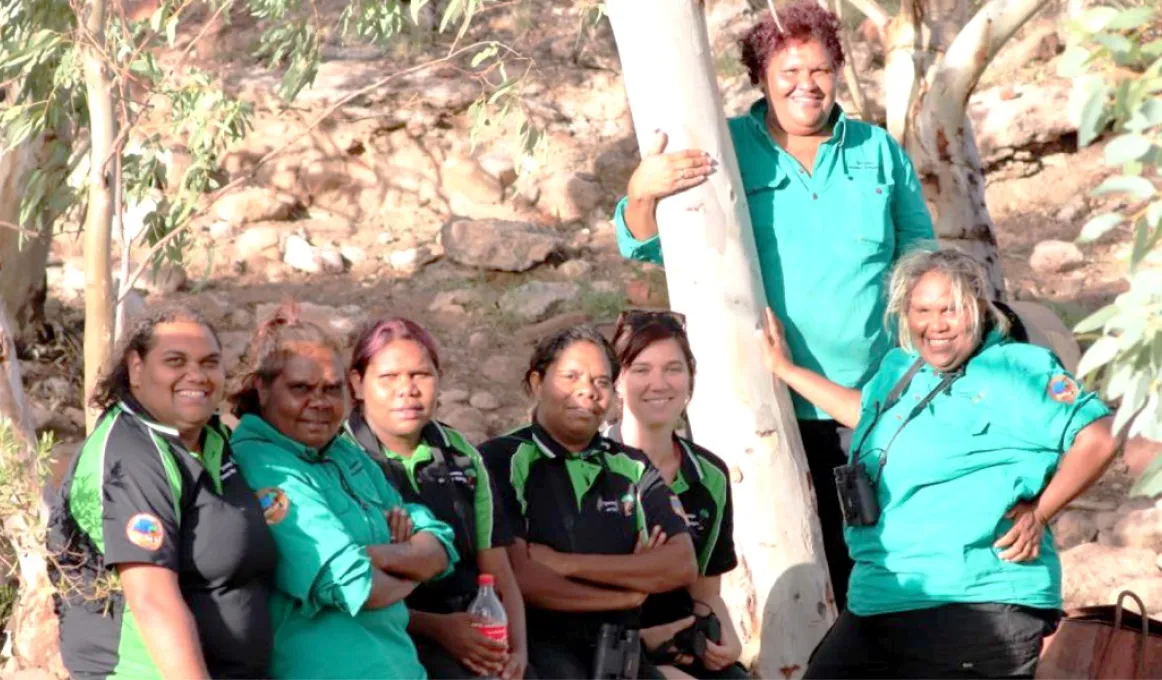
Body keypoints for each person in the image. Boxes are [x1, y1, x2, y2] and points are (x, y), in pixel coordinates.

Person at [613, 0, 934, 607]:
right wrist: (641, 192)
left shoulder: (878, 150)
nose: (805, 86)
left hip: (871, 404)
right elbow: (646, 245)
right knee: (794, 569)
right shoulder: (726, 146)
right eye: (788, 72)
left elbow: (921, 262)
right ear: (761, 77)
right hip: (765, 410)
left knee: (880, 566)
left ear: (837, 71)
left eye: (819, 70)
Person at [759, 248, 1118, 678]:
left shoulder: (1018, 369)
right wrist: (785, 370)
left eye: (951, 309)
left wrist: (1040, 512)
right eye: (922, 310)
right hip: (878, 597)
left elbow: (1100, 437)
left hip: (976, 602)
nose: (937, 325)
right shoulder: (901, 369)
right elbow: (866, 414)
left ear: (977, 309)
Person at [227, 305, 460, 679]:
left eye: (331, 389)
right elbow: (360, 586)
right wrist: (413, 558)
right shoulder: (263, 465)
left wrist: (373, 553)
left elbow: (440, 543)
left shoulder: (342, 451)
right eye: (300, 388)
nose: (319, 403)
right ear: (263, 389)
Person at [50, 304, 275, 679]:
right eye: (175, 361)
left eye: (209, 362)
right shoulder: (130, 455)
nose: (196, 375)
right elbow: (152, 600)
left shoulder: (212, 439)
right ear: (136, 368)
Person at [479, 325, 699, 679]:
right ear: (537, 382)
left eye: (601, 382)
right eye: (571, 376)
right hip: (541, 650)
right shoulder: (501, 459)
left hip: (621, 650)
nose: (588, 391)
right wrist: (626, 594)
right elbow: (522, 578)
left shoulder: (632, 465)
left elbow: (680, 564)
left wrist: (563, 563)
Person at [343, 317, 530, 680]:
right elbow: (350, 584)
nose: (407, 389)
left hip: (478, 630)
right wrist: (441, 628)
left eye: (420, 375)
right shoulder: (340, 458)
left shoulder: (462, 454)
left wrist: (518, 653)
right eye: (389, 377)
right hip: (392, 636)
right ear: (357, 384)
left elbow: (499, 573)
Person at [608, 310, 747, 679]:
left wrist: (728, 639)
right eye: (641, 369)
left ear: (690, 379)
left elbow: (705, 591)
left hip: (683, 643)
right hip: (604, 644)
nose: (659, 383)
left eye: (673, 368)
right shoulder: (589, 464)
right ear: (617, 381)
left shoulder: (709, 475)